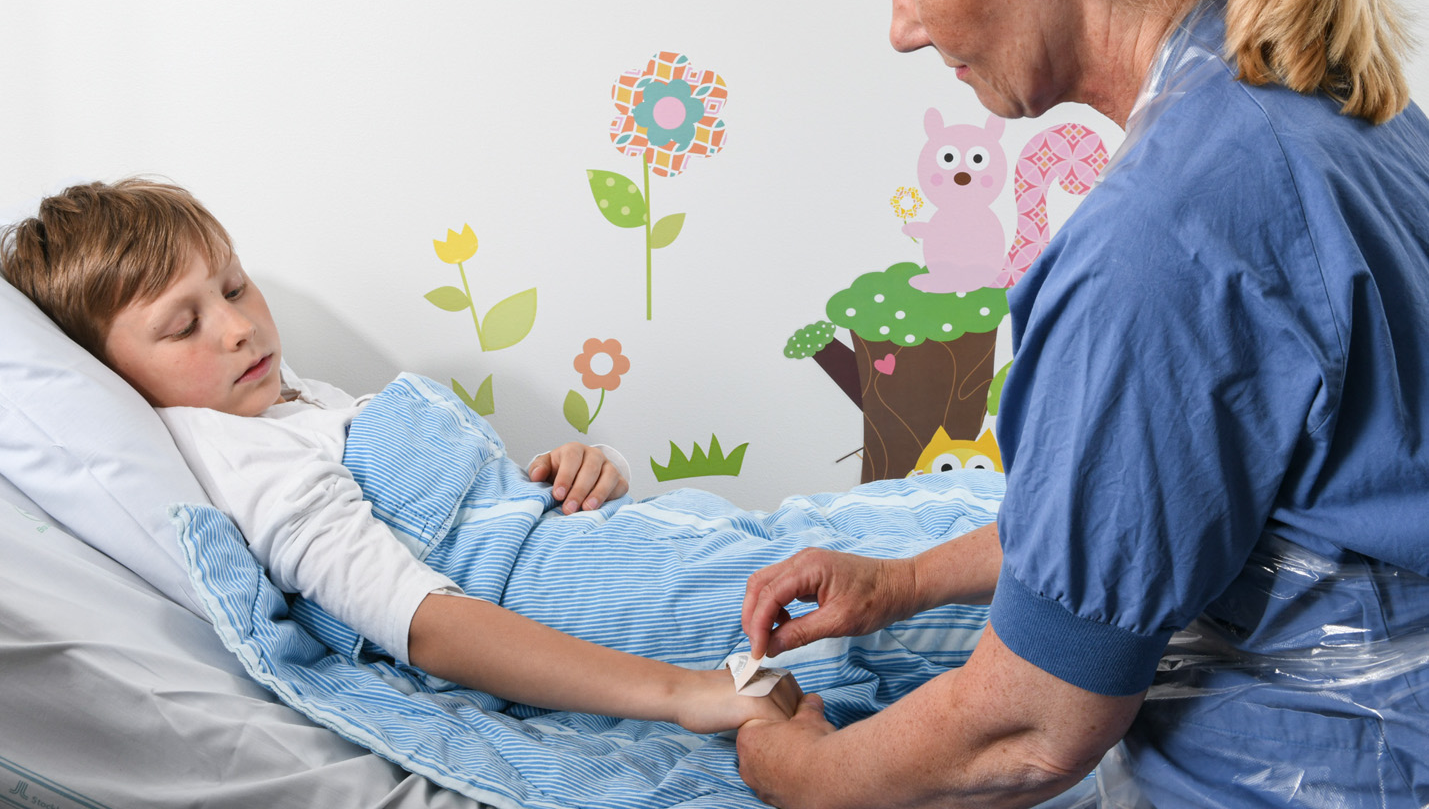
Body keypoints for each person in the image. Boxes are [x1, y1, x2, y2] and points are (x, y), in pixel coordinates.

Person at [736, 0, 1429, 807]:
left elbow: (1026, 730)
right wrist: (907, 581)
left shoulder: (1156, 245)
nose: (902, 30)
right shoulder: (1338, 100)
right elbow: (1176, 499)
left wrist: (806, 774)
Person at [0, 177, 1001, 741]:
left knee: (883, 538)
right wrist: (677, 691)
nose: (236, 325)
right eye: (184, 322)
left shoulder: (293, 406)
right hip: (621, 607)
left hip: (617, 550)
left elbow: (447, 513)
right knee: (926, 597)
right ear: (111, 375)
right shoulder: (238, 459)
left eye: (232, 285)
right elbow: (427, 624)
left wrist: (564, 471)